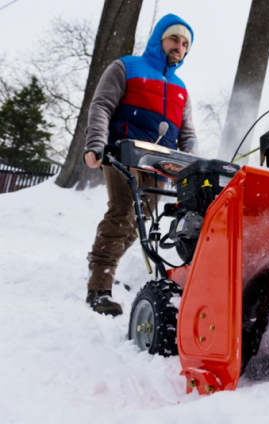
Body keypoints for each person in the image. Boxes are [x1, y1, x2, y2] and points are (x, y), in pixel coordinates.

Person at [83, 14, 197, 316]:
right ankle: (99, 287)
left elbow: (187, 133)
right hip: (124, 154)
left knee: (140, 224)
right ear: (159, 38)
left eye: (185, 44)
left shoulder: (180, 88)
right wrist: (95, 144)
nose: (180, 46)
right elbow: (102, 105)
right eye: (175, 39)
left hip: (159, 164)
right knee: (122, 213)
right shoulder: (127, 67)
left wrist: (192, 162)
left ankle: (107, 266)